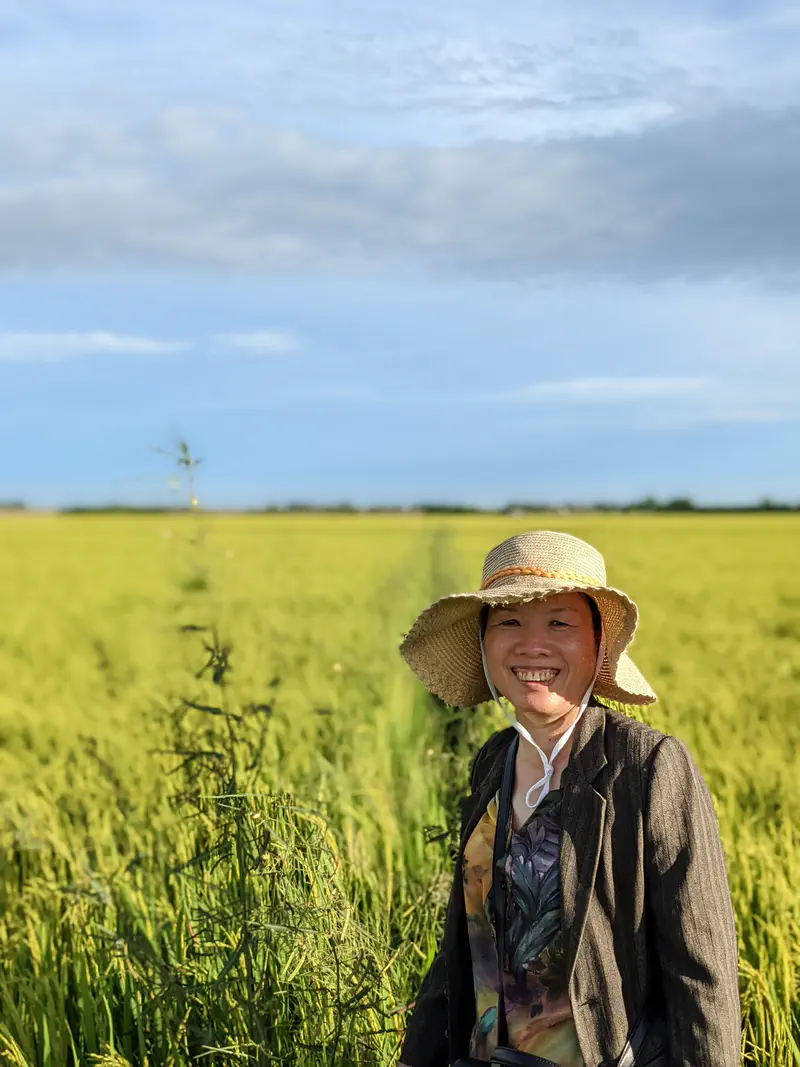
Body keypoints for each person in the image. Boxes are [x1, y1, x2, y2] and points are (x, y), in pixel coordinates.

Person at [396, 531, 740, 1067]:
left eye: (560, 622)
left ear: (599, 644)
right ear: (485, 643)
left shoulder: (646, 767)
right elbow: (465, 944)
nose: (533, 645)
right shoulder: (494, 759)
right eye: (509, 621)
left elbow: (702, 973)